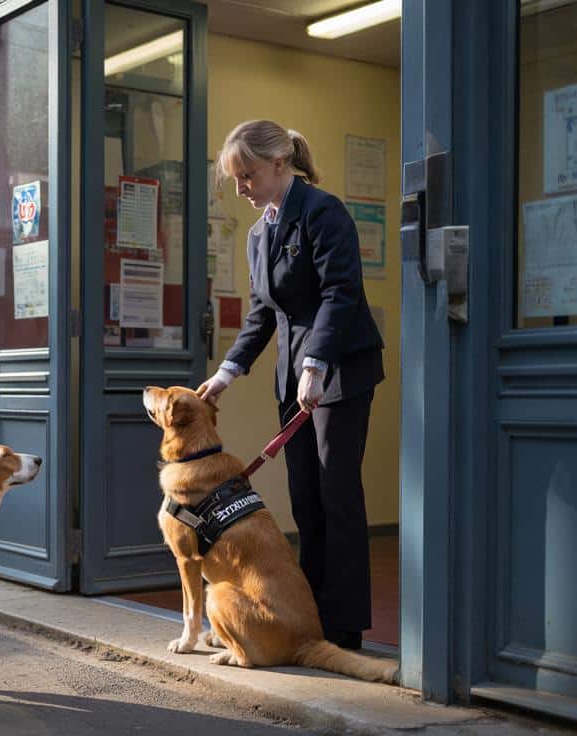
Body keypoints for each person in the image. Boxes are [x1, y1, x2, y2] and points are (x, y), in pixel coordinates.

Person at [198, 120, 385, 651]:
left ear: (279, 164)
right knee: (304, 497)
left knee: (336, 493)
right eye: (234, 180)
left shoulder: (324, 212)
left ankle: (345, 630)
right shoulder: (260, 233)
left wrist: (317, 362)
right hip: (297, 376)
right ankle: (313, 621)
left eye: (247, 175)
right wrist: (228, 372)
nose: (241, 189)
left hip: (340, 372)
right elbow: (263, 312)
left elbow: (341, 293)